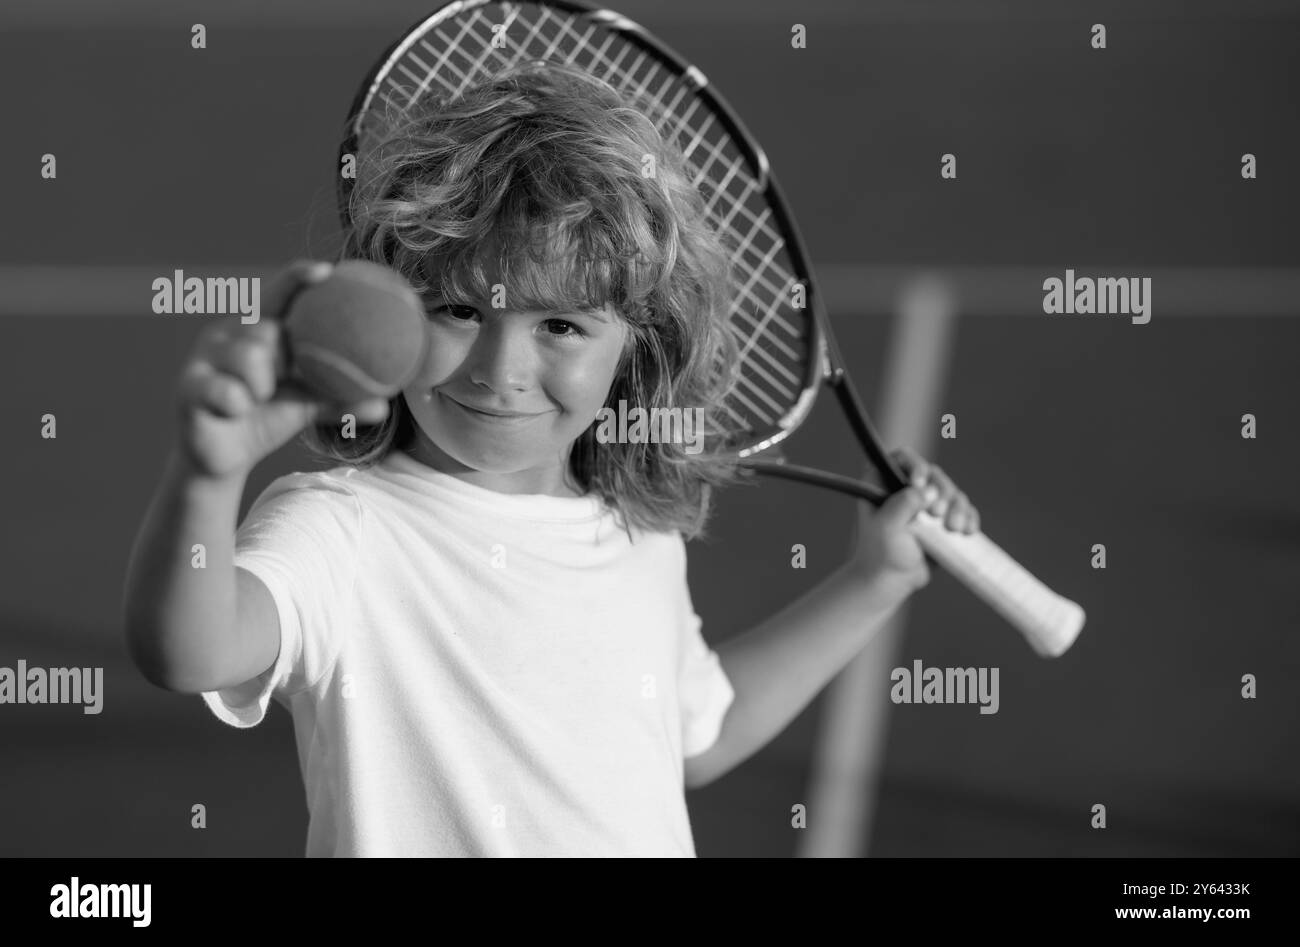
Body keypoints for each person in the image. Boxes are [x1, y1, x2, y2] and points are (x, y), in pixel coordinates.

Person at [122, 62, 979, 857]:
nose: (501, 371)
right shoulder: (341, 530)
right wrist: (207, 474)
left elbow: (698, 733)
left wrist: (876, 580)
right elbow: (191, 650)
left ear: (636, 348)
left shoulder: (637, 537)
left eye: (561, 326)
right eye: (458, 309)